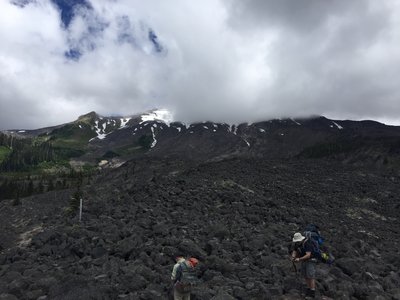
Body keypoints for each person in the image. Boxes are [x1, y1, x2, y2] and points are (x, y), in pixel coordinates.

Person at [290, 232, 317, 298]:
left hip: (311, 260)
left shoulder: (307, 243)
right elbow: (294, 251)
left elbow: (308, 255)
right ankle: (308, 289)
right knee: (305, 275)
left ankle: (312, 292)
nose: (297, 242)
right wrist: (293, 257)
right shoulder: (297, 243)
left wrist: (299, 259)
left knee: (310, 276)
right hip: (304, 261)